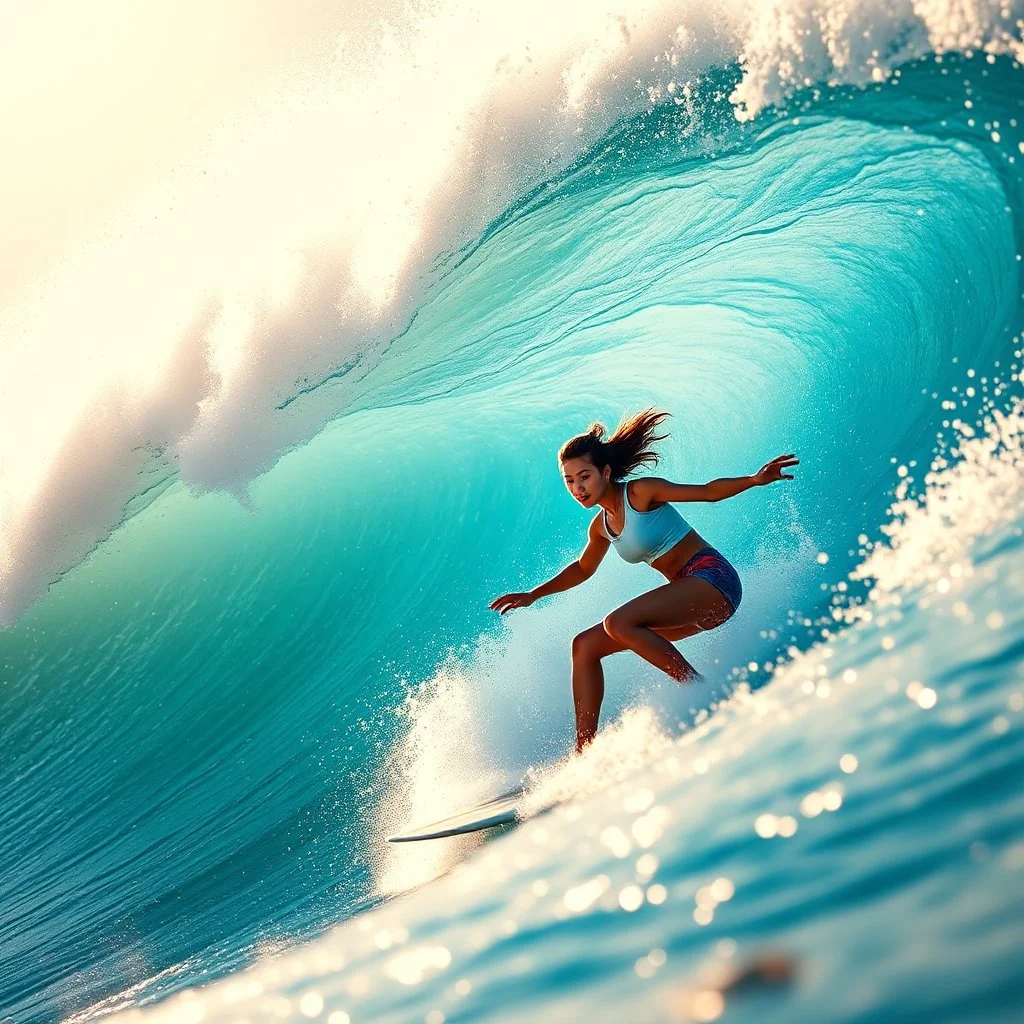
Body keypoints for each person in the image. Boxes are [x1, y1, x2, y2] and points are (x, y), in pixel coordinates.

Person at [490, 408, 798, 751]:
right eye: (570, 481)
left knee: (617, 622)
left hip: (714, 580)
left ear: (605, 472)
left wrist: (755, 480)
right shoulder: (601, 527)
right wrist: (534, 595)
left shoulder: (640, 493)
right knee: (584, 646)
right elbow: (583, 568)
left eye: (585, 477)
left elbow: (708, 492)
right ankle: (584, 753)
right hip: (692, 600)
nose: (578, 488)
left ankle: (699, 689)